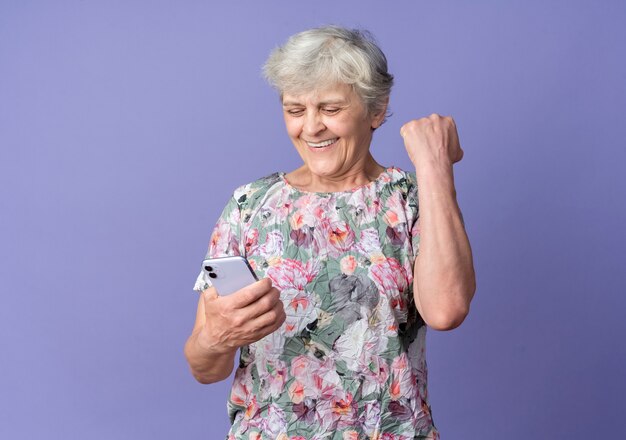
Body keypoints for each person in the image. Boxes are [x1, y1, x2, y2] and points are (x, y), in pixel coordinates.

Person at [184, 25, 476, 439]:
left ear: (376, 111)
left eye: (331, 108)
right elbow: (204, 368)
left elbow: (447, 310)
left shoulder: (412, 198)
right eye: (295, 109)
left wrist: (434, 167)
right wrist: (215, 339)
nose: (311, 127)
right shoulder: (249, 206)